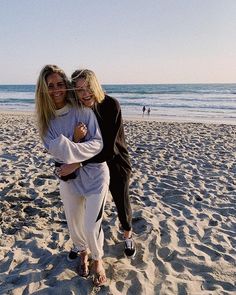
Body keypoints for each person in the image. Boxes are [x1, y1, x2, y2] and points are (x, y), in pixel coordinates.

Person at [35, 65, 109, 286]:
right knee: (74, 223)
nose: (56, 89)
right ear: (44, 89)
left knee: (91, 225)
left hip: (96, 174)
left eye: (60, 84)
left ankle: (98, 259)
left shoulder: (82, 111)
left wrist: (71, 153)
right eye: (51, 86)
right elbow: (57, 151)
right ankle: (82, 252)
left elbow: (97, 143)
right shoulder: (46, 121)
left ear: (66, 87)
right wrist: (76, 141)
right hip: (69, 179)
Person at [69, 69, 136, 258]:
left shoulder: (110, 105)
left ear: (95, 85)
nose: (85, 93)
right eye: (79, 90)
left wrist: (78, 163)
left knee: (121, 202)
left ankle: (128, 234)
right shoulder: (79, 109)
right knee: (83, 206)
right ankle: (81, 245)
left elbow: (108, 149)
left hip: (115, 161)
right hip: (90, 165)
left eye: (88, 87)